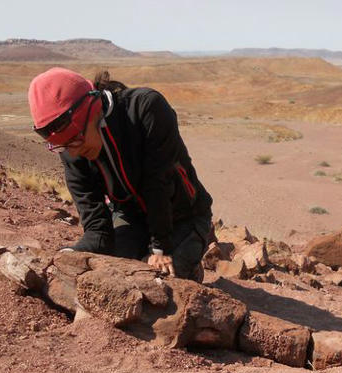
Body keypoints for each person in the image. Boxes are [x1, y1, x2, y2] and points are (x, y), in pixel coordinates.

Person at [27, 67, 212, 281]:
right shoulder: (69, 148)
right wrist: (70, 256)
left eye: (76, 139)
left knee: (157, 281)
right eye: (62, 146)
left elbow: (157, 183)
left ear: (94, 110)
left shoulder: (146, 108)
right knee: (113, 275)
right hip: (130, 217)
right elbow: (97, 229)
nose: (74, 152)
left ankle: (190, 266)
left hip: (183, 217)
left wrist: (160, 248)